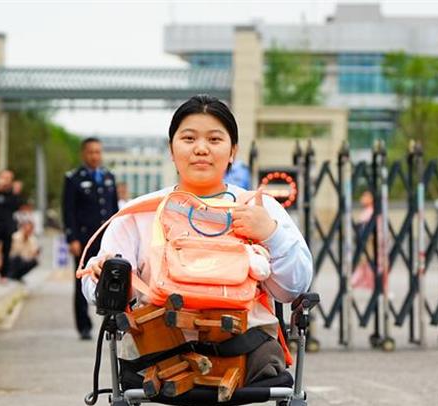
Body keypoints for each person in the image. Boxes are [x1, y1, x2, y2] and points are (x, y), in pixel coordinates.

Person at [80, 94, 312, 382]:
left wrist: (271, 234)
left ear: (233, 151)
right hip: (157, 350)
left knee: (261, 353)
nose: (201, 149)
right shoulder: (138, 213)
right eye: (189, 139)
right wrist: (104, 278)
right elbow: (96, 290)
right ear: (171, 149)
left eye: (214, 140)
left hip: (245, 350)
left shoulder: (259, 209)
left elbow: (293, 288)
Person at [63, 137, 119, 340]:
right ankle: (84, 326)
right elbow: (68, 211)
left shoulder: (108, 177)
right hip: (84, 240)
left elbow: (114, 211)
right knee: (82, 281)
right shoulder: (73, 179)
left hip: (106, 240)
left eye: (98, 152)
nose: (95, 156)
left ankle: (110, 322)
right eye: (91, 152)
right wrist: (72, 238)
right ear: (84, 154)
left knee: (111, 282)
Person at [0, 169, 21, 280]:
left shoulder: (12, 193)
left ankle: (3, 274)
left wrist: (14, 192)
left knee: (6, 250)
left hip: (7, 225)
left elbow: (16, 206)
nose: (5, 181)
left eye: (8, 178)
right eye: (3, 178)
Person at [5, 213, 40, 281]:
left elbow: (33, 253)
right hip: (12, 260)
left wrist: (34, 254)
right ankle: (10, 274)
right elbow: (13, 252)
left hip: (24, 260)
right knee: (17, 258)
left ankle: (18, 275)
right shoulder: (15, 236)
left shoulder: (33, 239)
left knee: (34, 261)